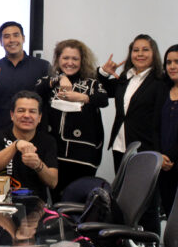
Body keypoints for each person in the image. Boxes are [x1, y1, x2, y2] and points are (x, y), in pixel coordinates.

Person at [98, 34, 166, 234]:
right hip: (121, 146)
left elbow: (162, 121)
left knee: (148, 204)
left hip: (146, 149)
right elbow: (102, 88)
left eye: (145, 49)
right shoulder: (125, 79)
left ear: (154, 53)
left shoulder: (160, 81)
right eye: (136, 50)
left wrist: (160, 152)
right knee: (124, 201)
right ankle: (126, 245)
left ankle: (151, 246)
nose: (140, 54)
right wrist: (104, 72)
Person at [35, 39, 108, 198]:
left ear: (82, 61)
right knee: (56, 200)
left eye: (75, 59)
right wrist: (59, 78)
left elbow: (103, 100)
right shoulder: (50, 81)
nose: (70, 63)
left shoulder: (92, 83)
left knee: (79, 202)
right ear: (58, 60)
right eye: (65, 58)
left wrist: (82, 97)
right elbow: (36, 89)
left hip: (83, 156)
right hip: (54, 155)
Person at [0, 91, 58, 202]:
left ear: (39, 117)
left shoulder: (48, 141)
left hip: (35, 205)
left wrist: (38, 165)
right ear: (12, 115)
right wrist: (15, 145)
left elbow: (53, 182)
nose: (27, 115)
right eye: (21, 111)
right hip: (0, 202)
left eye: (32, 111)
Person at [0, 22, 50, 133]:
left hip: (34, 134)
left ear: (23, 38)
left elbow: (48, 102)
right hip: (0, 133)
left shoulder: (42, 66)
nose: (12, 40)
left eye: (16, 35)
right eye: (6, 37)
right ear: (0, 42)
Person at [160, 44, 178, 216]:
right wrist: (159, 155)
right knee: (168, 211)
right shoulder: (162, 90)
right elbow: (153, 126)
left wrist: (171, 156)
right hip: (163, 163)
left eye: (177, 62)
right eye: (169, 62)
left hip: (174, 159)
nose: (172, 66)